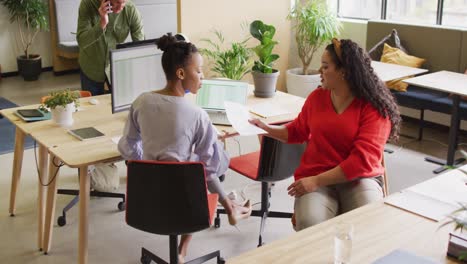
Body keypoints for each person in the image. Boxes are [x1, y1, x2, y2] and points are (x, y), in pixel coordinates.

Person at [118, 33, 251, 263]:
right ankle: (229, 208)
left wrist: (146, 165)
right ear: (181, 73)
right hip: (188, 207)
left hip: (147, 202)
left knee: (192, 168)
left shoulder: (141, 102)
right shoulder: (198, 116)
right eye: (199, 71)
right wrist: (215, 142)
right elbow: (210, 171)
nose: (202, 76)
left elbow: (128, 146)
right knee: (211, 166)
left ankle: (224, 212)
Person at [250, 38, 401, 231]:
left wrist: (315, 181)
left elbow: (361, 162)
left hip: (359, 179)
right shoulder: (317, 98)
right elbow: (297, 131)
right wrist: (266, 128)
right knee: (310, 224)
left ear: (344, 72)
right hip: (317, 174)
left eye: (325, 66)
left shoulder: (374, 108)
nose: (319, 72)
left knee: (368, 223)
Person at [77, 0, 144, 95]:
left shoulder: (131, 9)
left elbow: (140, 45)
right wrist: (102, 23)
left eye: (124, 2)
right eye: (117, 2)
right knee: (93, 107)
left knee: (119, 107)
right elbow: (82, 41)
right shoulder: (88, 4)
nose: (120, 7)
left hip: (116, 69)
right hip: (91, 67)